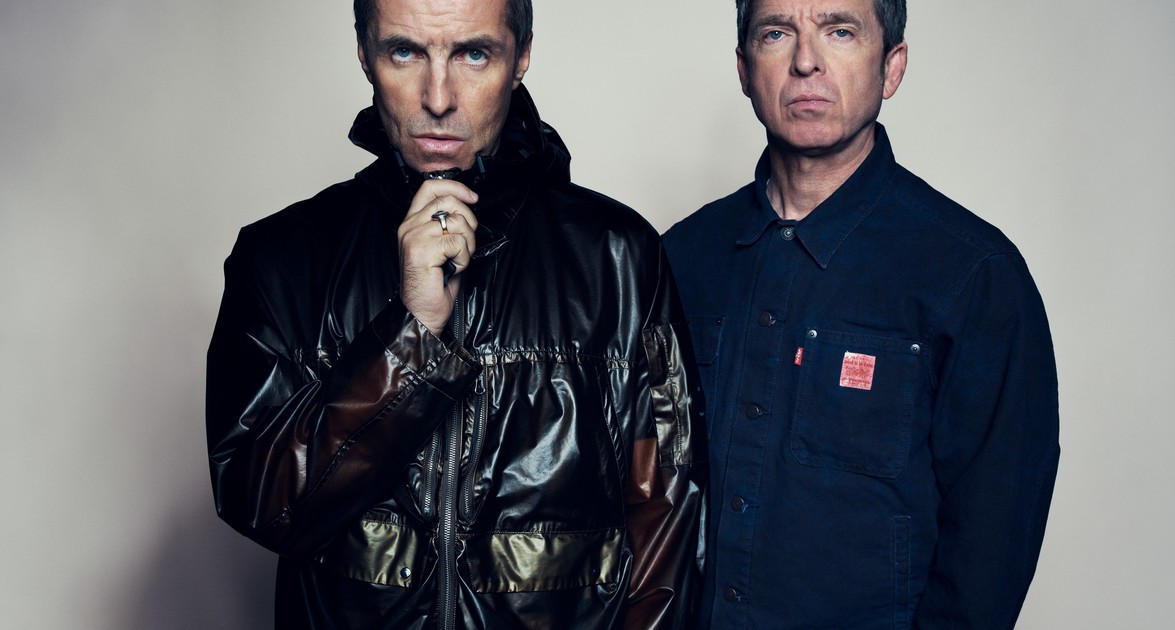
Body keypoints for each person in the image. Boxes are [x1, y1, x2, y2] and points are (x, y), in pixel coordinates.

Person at [205, 0, 705, 627]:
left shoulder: (620, 259)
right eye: (404, 51)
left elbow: (665, 531)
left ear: (520, 56)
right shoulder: (281, 260)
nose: (437, 98)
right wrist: (410, 334)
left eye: (473, 53)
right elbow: (264, 508)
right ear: (364, 52)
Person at [662, 0, 1059, 627]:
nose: (806, 61)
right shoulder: (680, 258)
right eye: (776, 33)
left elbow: (990, 551)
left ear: (891, 67)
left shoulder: (974, 277)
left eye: (840, 31)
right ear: (744, 68)